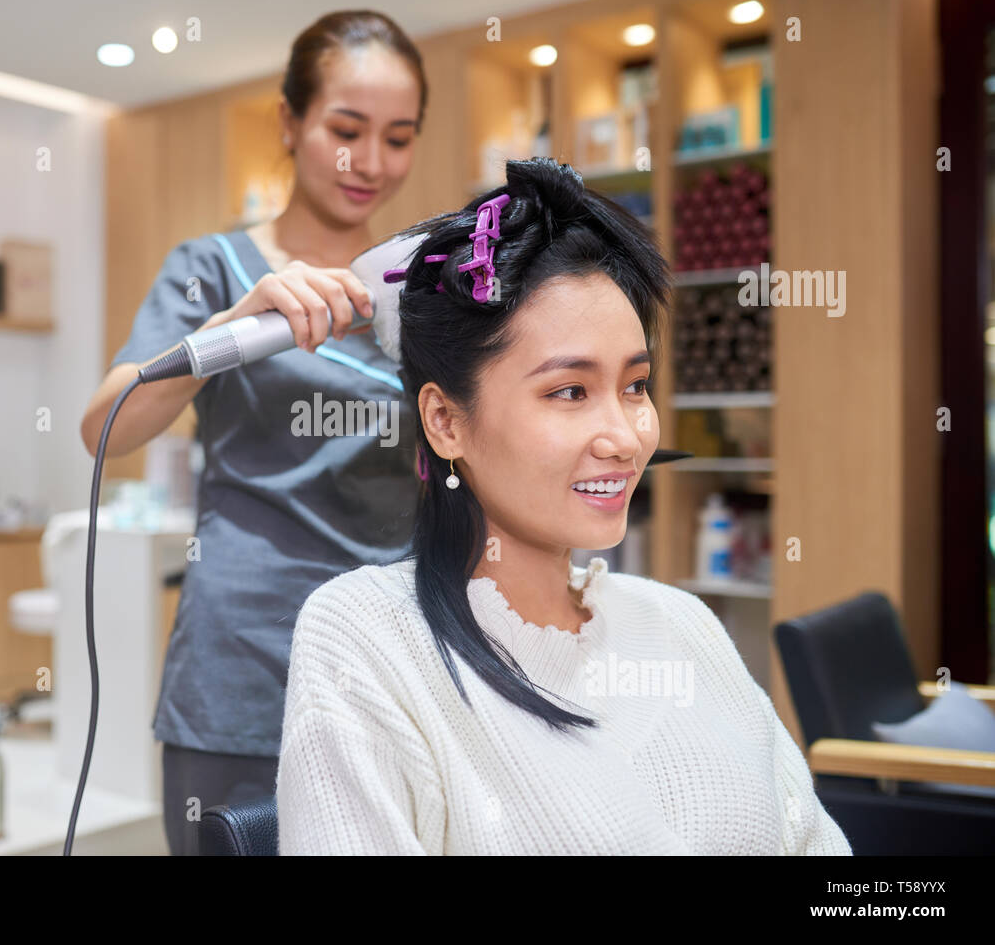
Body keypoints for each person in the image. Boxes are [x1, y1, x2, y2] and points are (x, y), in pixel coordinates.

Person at [276, 156, 853, 855]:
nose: (626, 436)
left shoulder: (681, 623)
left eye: (636, 386)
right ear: (446, 421)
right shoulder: (369, 638)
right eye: (570, 391)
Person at [80, 10, 427, 856]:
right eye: (346, 130)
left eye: (399, 136)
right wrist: (231, 326)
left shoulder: (422, 291)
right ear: (289, 122)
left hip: (395, 660)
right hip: (244, 661)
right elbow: (105, 426)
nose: (369, 163)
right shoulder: (213, 270)